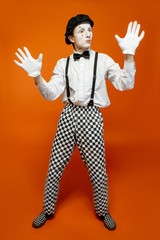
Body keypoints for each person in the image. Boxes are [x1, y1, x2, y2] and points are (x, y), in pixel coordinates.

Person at [14, 14, 145, 231]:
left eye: (89, 30)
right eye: (81, 30)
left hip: (92, 116)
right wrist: (37, 76)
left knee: (98, 169)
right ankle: (47, 210)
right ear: (71, 38)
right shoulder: (62, 63)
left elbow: (125, 84)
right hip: (68, 115)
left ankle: (102, 211)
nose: (87, 34)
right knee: (55, 165)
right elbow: (51, 94)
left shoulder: (102, 60)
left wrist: (129, 55)